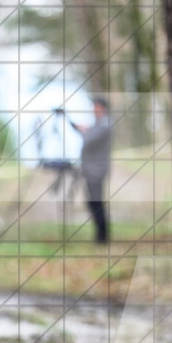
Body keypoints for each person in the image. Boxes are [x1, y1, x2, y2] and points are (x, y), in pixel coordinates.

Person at [66, 96, 112, 243]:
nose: (93, 110)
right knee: (93, 203)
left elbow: (88, 137)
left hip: (96, 172)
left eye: (96, 107)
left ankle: (102, 237)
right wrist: (70, 120)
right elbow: (85, 132)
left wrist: (80, 128)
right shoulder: (99, 124)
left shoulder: (104, 124)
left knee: (96, 203)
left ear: (102, 108)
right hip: (91, 171)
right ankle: (100, 236)